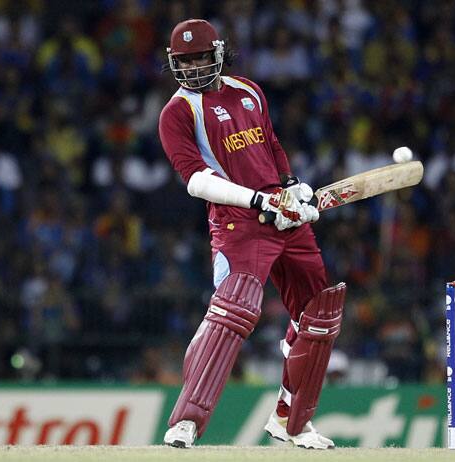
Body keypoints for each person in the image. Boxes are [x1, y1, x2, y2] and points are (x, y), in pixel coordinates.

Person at [158, 19, 346, 450]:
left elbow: (270, 145)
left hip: (285, 217)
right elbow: (196, 180)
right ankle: (186, 421)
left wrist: (290, 186)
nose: (192, 67)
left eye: (200, 57)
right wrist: (260, 202)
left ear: (218, 53)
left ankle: (291, 421)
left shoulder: (248, 91)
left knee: (318, 314)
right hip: (237, 222)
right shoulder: (178, 112)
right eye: (183, 61)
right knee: (234, 310)